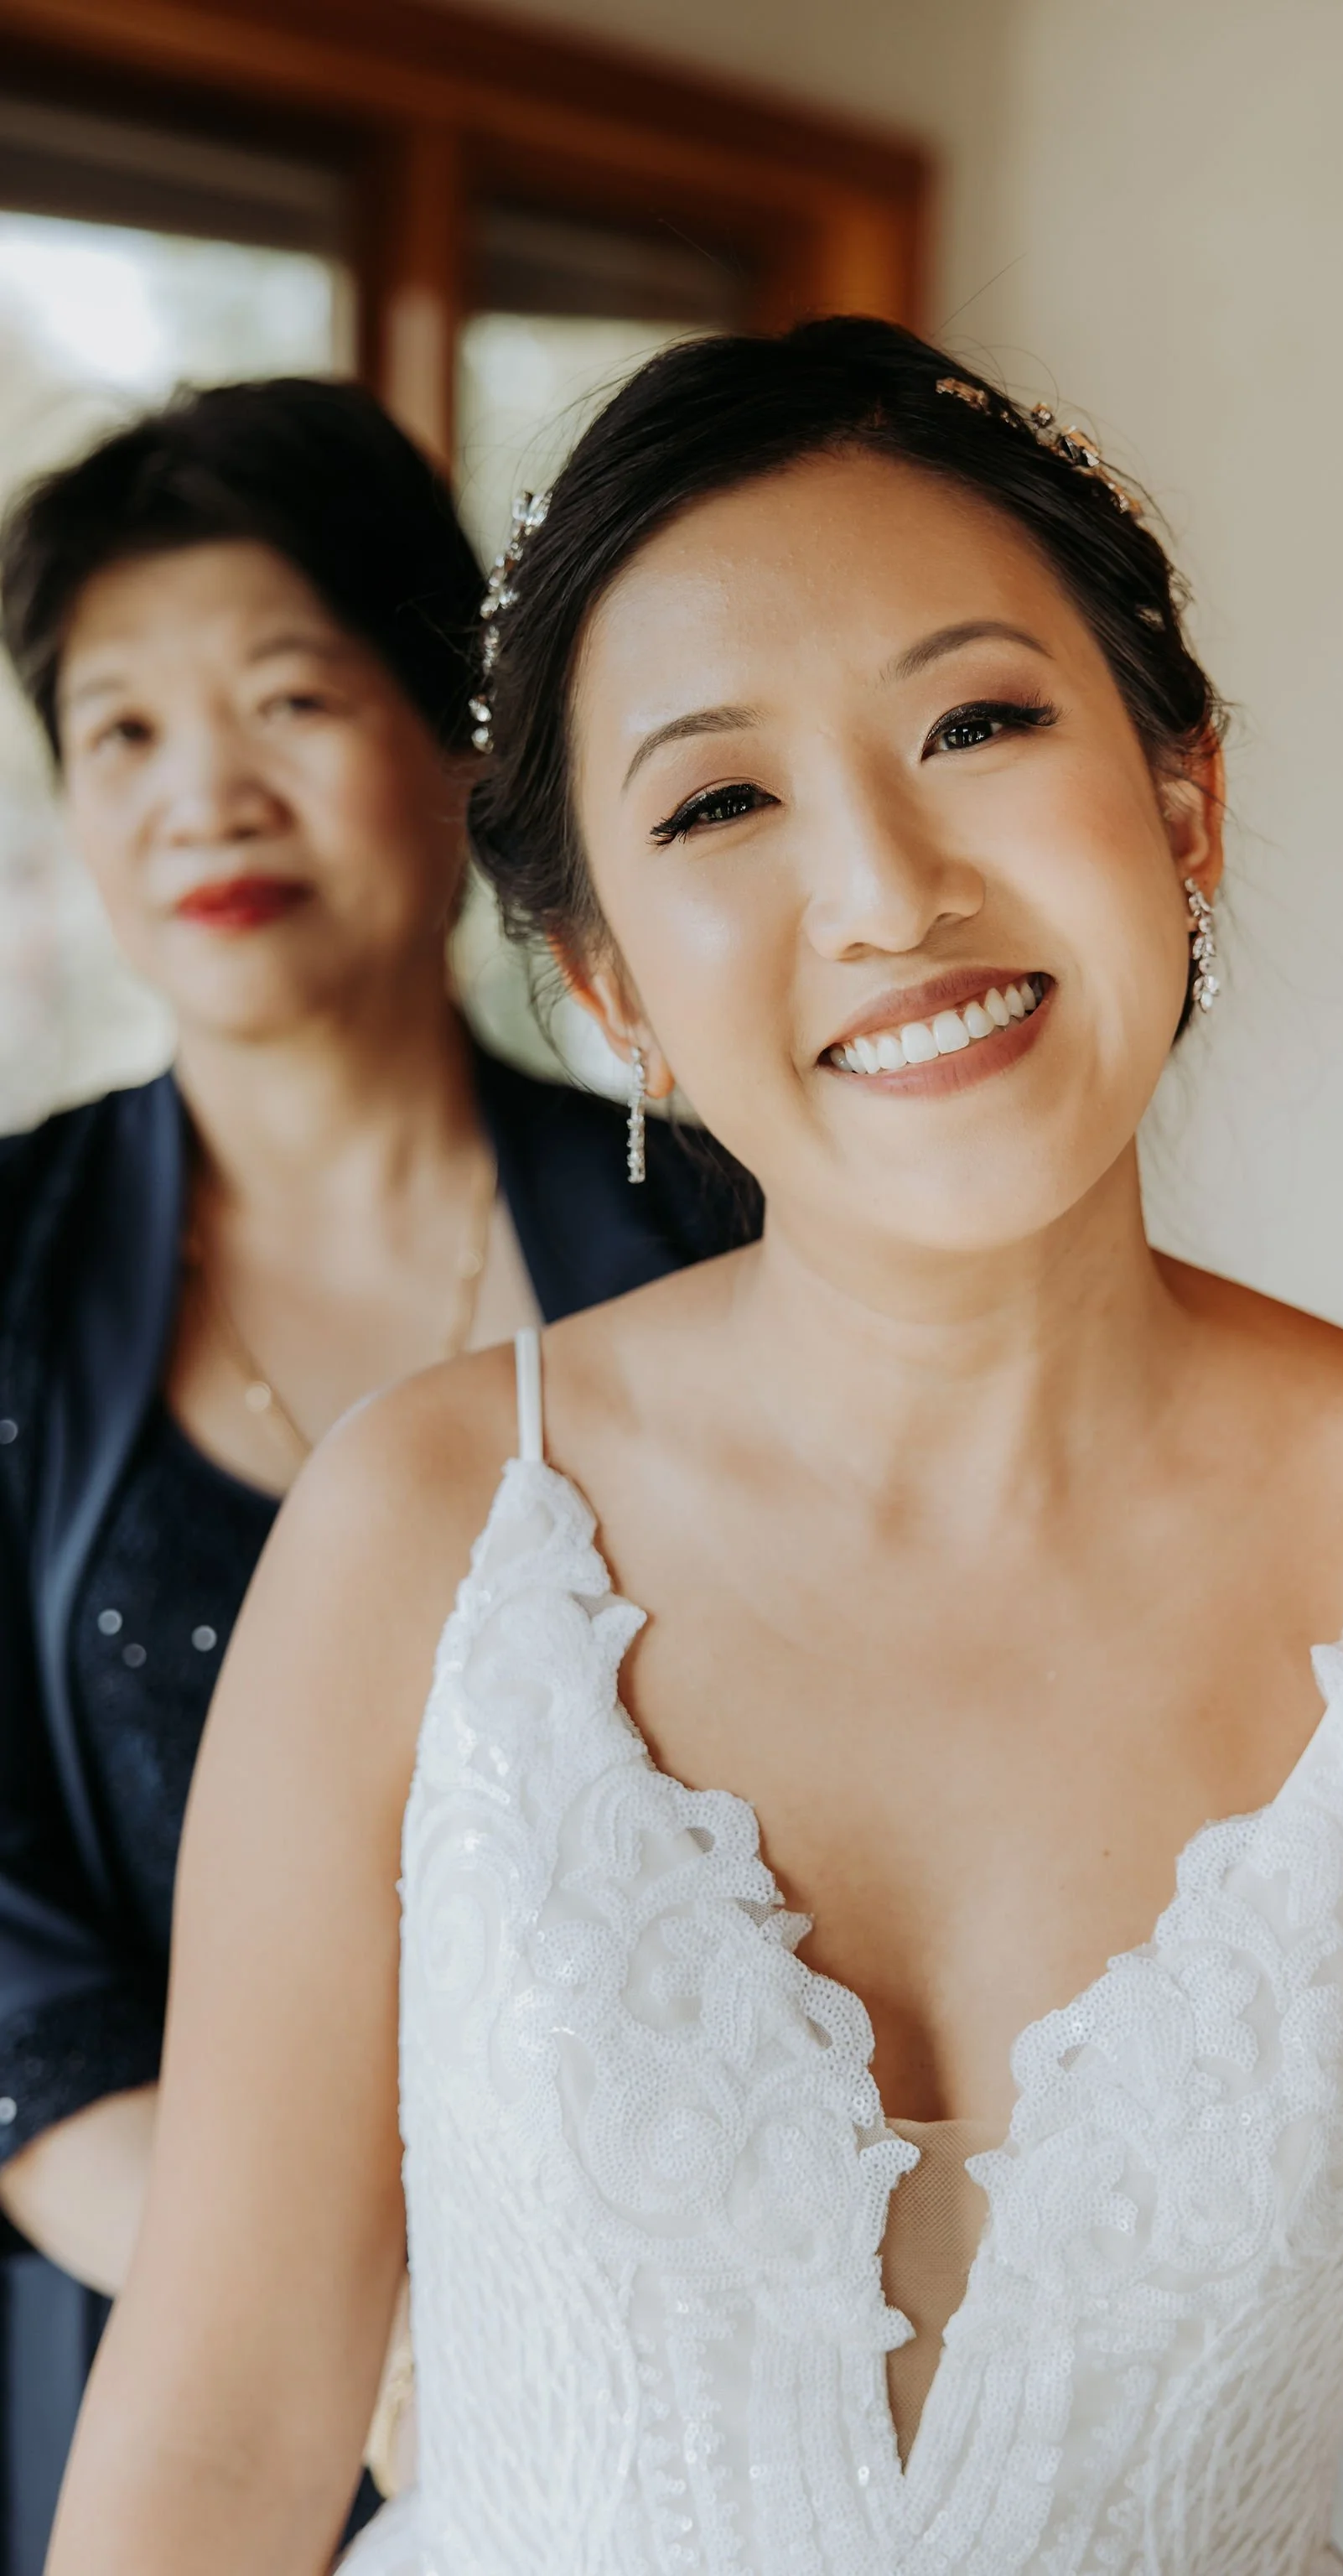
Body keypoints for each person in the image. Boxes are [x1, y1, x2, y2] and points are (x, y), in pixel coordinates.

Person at [50, 319, 1343, 2574]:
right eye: (720, 801)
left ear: (1184, 794)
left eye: (982, 721)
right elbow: (222, 2448)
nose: (890, 888)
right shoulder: (427, 1524)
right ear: (606, 979)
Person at [0, 377, 755, 2572]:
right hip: (149, 2385)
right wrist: (389, 2348)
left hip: (698, 2358)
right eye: (118, 732)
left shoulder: (718, 1217)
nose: (198, 794)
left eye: (283, 697)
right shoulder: (14, 1283)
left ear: (462, 745)